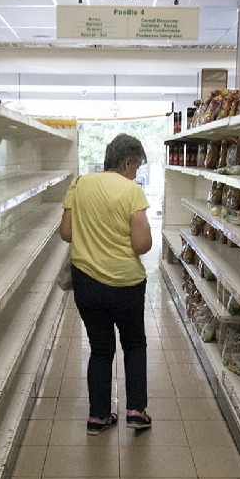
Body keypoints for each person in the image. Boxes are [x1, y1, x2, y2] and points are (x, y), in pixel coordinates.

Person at [59, 133, 153, 435]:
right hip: (126, 284)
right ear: (127, 162)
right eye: (136, 166)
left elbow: (66, 232)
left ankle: (98, 417)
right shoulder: (131, 191)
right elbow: (141, 244)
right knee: (134, 344)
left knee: (100, 350)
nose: (135, 173)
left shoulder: (80, 183)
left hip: (87, 284)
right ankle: (136, 411)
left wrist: (94, 235)